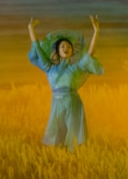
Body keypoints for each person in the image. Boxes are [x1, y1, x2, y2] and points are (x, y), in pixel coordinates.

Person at [27, 15, 103, 149]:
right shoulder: (50, 68)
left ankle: (75, 158)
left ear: (72, 51)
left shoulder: (76, 67)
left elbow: (90, 53)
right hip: (57, 101)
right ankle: (58, 158)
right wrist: (30, 29)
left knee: (73, 135)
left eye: (68, 46)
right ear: (57, 51)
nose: (65, 48)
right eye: (62, 46)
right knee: (55, 134)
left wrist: (96, 31)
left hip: (73, 101)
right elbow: (38, 49)